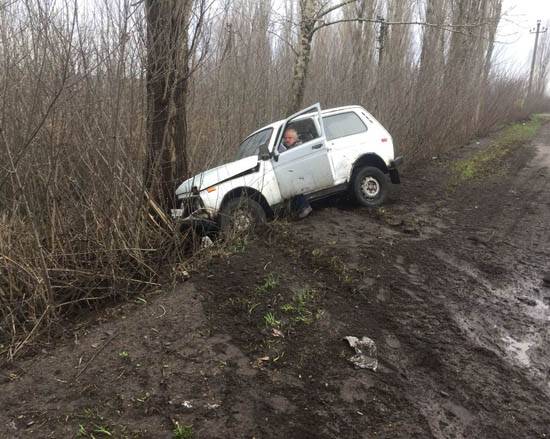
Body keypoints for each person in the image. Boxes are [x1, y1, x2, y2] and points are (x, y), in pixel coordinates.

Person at [278, 127, 313, 219]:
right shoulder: (288, 148)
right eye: (285, 138)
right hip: (296, 173)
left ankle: (305, 208)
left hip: (304, 173)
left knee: (294, 187)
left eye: (290, 138)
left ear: (295, 138)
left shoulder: (298, 146)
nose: (287, 140)